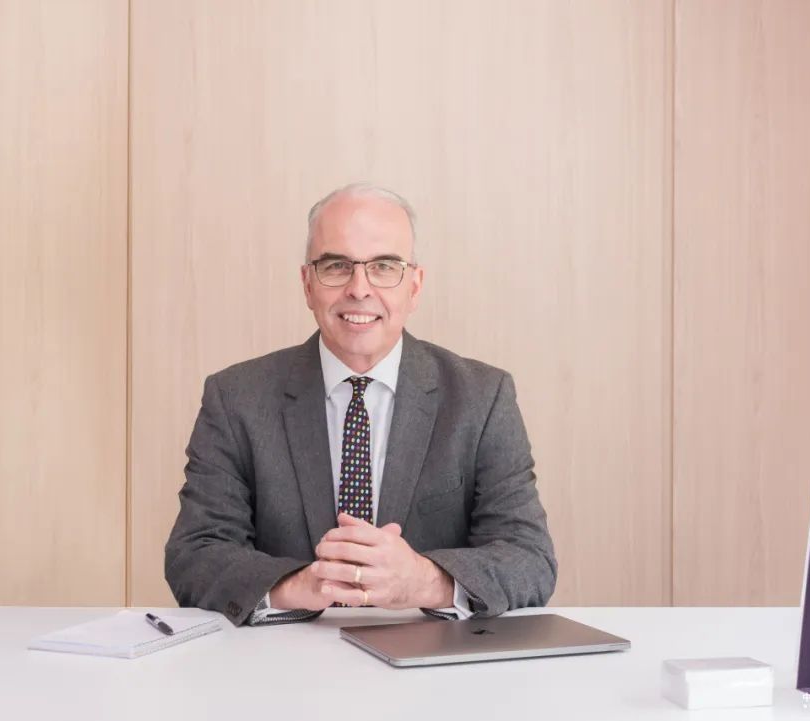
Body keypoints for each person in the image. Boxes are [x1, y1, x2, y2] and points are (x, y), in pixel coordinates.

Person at [165, 183, 557, 626]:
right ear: (307, 284)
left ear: (415, 286)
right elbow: (194, 554)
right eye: (336, 266)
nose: (359, 288)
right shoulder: (236, 398)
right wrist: (301, 586)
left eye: (384, 266)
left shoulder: (482, 398)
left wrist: (423, 580)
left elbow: (530, 558)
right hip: (286, 656)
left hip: (430, 657)